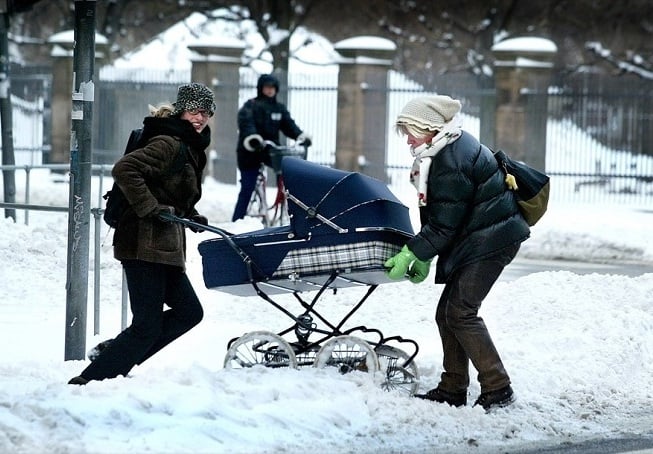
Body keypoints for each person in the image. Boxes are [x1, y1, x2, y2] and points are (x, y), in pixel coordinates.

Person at [384, 95, 530, 411]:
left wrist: (414, 253)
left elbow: (445, 225)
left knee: (461, 312)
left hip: (492, 241)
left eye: (411, 131)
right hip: (480, 237)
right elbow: (447, 218)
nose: (407, 139)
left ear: (430, 127)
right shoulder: (446, 147)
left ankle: (498, 388)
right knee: (447, 313)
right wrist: (424, 253)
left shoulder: (450, 160)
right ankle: (453, 387)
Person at [68, 82, 215, 385]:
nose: (199, 118)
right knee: (146, 325)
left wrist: (188, 214)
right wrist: (150, 208)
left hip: (164, 245)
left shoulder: (190, 145)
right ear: (181, 110)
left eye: (205, 112)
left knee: (189, 312)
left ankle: (115, 353)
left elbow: (170, 190)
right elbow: (125, 170)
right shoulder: (170, 143)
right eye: (194, 111)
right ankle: (90, 380)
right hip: (141, 242)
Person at [231, 73, 311, 222]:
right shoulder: (251, 105)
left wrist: (301, 136)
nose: (270, 90)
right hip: (250, 151)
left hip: (271, 151)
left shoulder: (279, 108)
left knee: (288, 175)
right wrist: (253, 138)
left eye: (273, 87)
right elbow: (246, 123)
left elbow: (289, 126)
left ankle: (292, 214)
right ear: (260, 88)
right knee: (247, 186)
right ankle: (237, 221)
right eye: (267, 87)